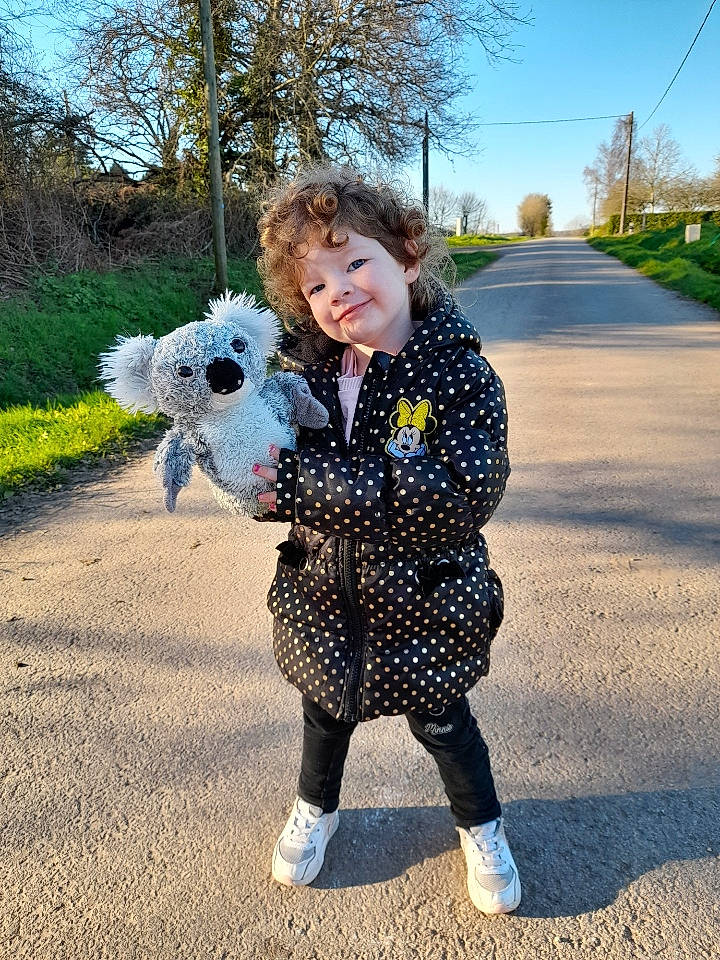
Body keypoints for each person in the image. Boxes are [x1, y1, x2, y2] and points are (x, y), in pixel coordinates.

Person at [251, 165, 518, 915]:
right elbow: (270, 472)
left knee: (443, 723)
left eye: (355, 262)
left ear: (407, 255)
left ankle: (481, 826)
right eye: (316, 285)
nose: (338, 291)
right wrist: (247, 471)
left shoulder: (460, 375)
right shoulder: (307, 372)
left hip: (425, 602)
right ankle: (317, 809)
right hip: (326, 598)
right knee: (322, 713)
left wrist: (304, 484)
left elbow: (463, 498)